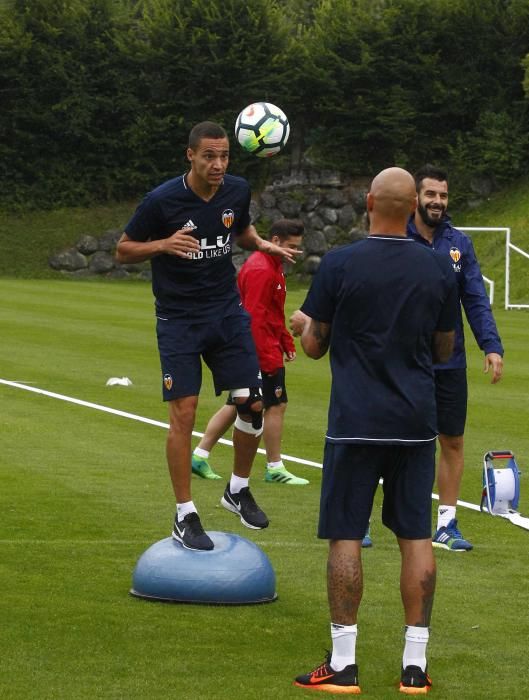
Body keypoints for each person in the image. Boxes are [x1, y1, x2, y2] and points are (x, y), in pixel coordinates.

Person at [289, 167, 458, 694]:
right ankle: (414, 667)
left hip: (356, 421)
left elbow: (314, 346)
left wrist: (303, 325)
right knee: (416, 536)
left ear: (367, 203)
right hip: (414, 421)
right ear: (412, 208)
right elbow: (444, 349)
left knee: (345, 534)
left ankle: (344, 663)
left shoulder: (340, 263)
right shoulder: (437, 270)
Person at [115, 121, 300, 551]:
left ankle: (237, 489)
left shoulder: (237, 189)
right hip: (179, 318)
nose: (217, 165)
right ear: (191, 156)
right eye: (209, 157)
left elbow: (241, 231)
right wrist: (162, 245)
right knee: (185, 411)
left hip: (225, 312)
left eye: (224, 157)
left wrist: (263, 245)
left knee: (253, 402)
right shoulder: (161, 200)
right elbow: (123, 250)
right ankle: (185, 514)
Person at [408, 164, 504, 551]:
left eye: (443, 195)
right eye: (430, 194)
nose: (437, 201)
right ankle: (363, 520)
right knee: (392, 441)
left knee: (452, 440)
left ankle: (446, 525)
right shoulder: (398, 236)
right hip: (403, 359)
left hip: (449, 361)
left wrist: (491, 345)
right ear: (416, 197)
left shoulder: (459, 243)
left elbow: (476, 298)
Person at [192, 218, 309, 486]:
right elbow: (255, 316)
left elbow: (273, 312)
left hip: (262, 347)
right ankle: (275, 467)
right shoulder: (261, 268)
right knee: (276, 405)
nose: (294, 253)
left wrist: (286, 342)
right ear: (275, 241)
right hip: (259, 350)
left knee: (238, 403)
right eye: (291, 247)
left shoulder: (271, 264)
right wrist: (263, 356)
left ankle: (199, 455)